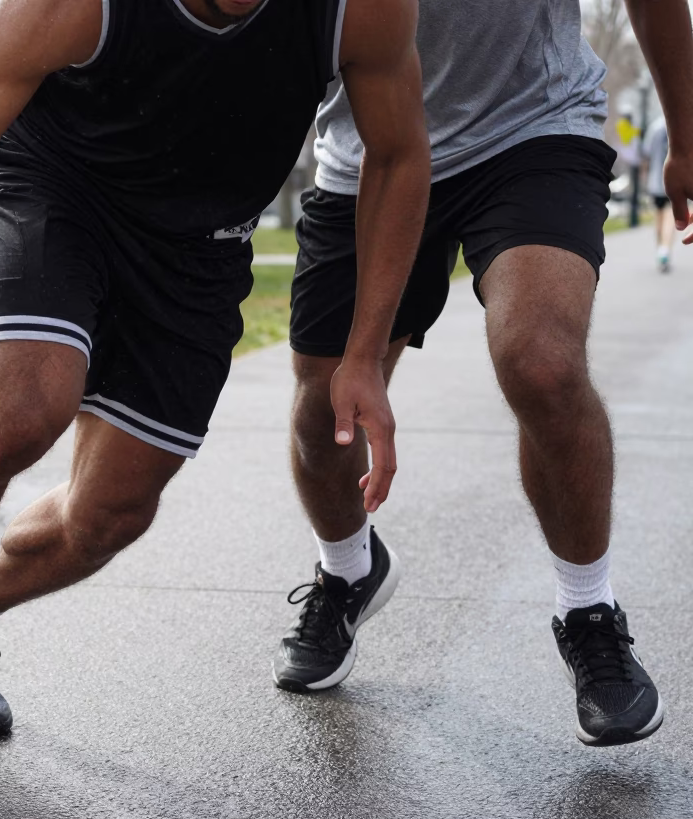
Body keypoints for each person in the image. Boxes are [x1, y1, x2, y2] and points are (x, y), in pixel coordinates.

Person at [0, 0, 430, 737]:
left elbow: (396, 157)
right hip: (57, 187)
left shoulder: (362, 8)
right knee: (23, 412)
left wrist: (364, 353)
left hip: (198, 249)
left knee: (110, 514)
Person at [274, 0, 693, 747]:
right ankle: (347, 570)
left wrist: (687, 135)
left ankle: (588, 609)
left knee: (543, 363)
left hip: (532, 126)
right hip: (368, 143)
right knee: (323, 413)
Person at [643, 116, 677, 272]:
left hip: (656, 181)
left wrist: (645, 177)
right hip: (674, 181)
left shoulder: (654, 127)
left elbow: (646, 154)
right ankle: (664, 250)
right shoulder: (680, 125)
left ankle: (660, 249)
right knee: (670, 215)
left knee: (659, 215)